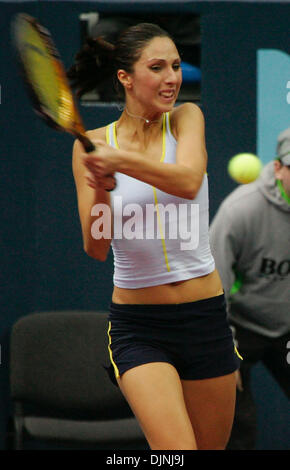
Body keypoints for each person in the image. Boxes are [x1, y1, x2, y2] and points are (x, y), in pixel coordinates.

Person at [68, 23, 240, 450]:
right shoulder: (90, 145)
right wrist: (104, 189)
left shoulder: (186, 118)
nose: (172, 78)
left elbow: (186, 180)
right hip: (139, 328)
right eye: (157, 67)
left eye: (177, 66)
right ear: (125, 77)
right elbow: (95, 246)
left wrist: (118, 163)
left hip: (206, 320)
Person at [209, 128, 290, 450]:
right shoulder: (240, 210)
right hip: (237, 327)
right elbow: (214, 286)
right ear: (278, 168)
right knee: (236, 425)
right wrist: (223, 350)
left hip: (286, 327)